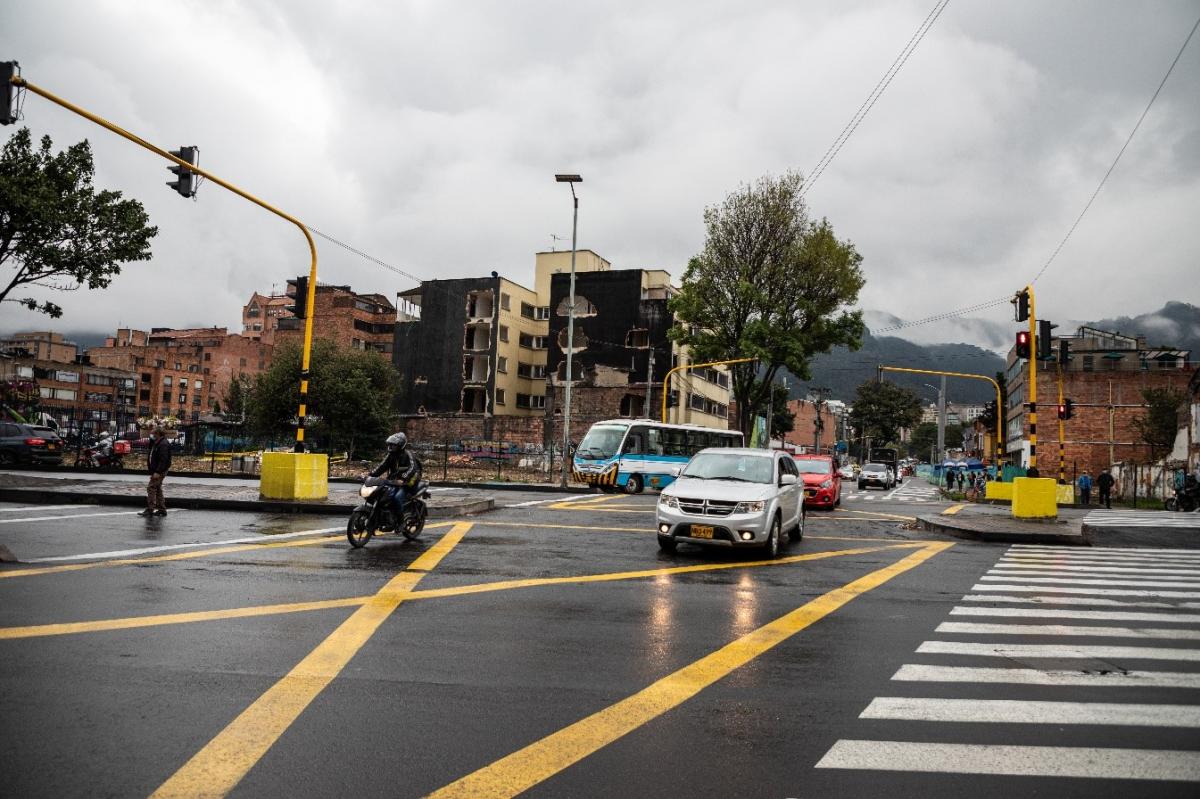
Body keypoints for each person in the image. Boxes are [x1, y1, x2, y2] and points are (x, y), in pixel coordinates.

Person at [370, 432, 421, 517]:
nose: (391, 447)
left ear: (400, 446)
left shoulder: (408, 455)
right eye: (390, 444)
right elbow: (382, 466)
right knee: (381, 495)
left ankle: (400, 519)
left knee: (396, 498)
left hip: (408, 483)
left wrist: (403, 479)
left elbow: (412, 468)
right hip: (394, 481)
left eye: (393, 445)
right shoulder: (391, 455)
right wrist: (371, 475)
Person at [139, 427, 172, 517]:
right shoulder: (157, 442)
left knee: (151, 487)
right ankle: (162, 509)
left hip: (160, 470)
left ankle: (150, 509)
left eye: (153, 432)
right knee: (157, 489)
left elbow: (163, 460)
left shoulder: (163, 444)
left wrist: (157, 472)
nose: (152, 434)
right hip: (157, 470)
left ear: (158, 433)